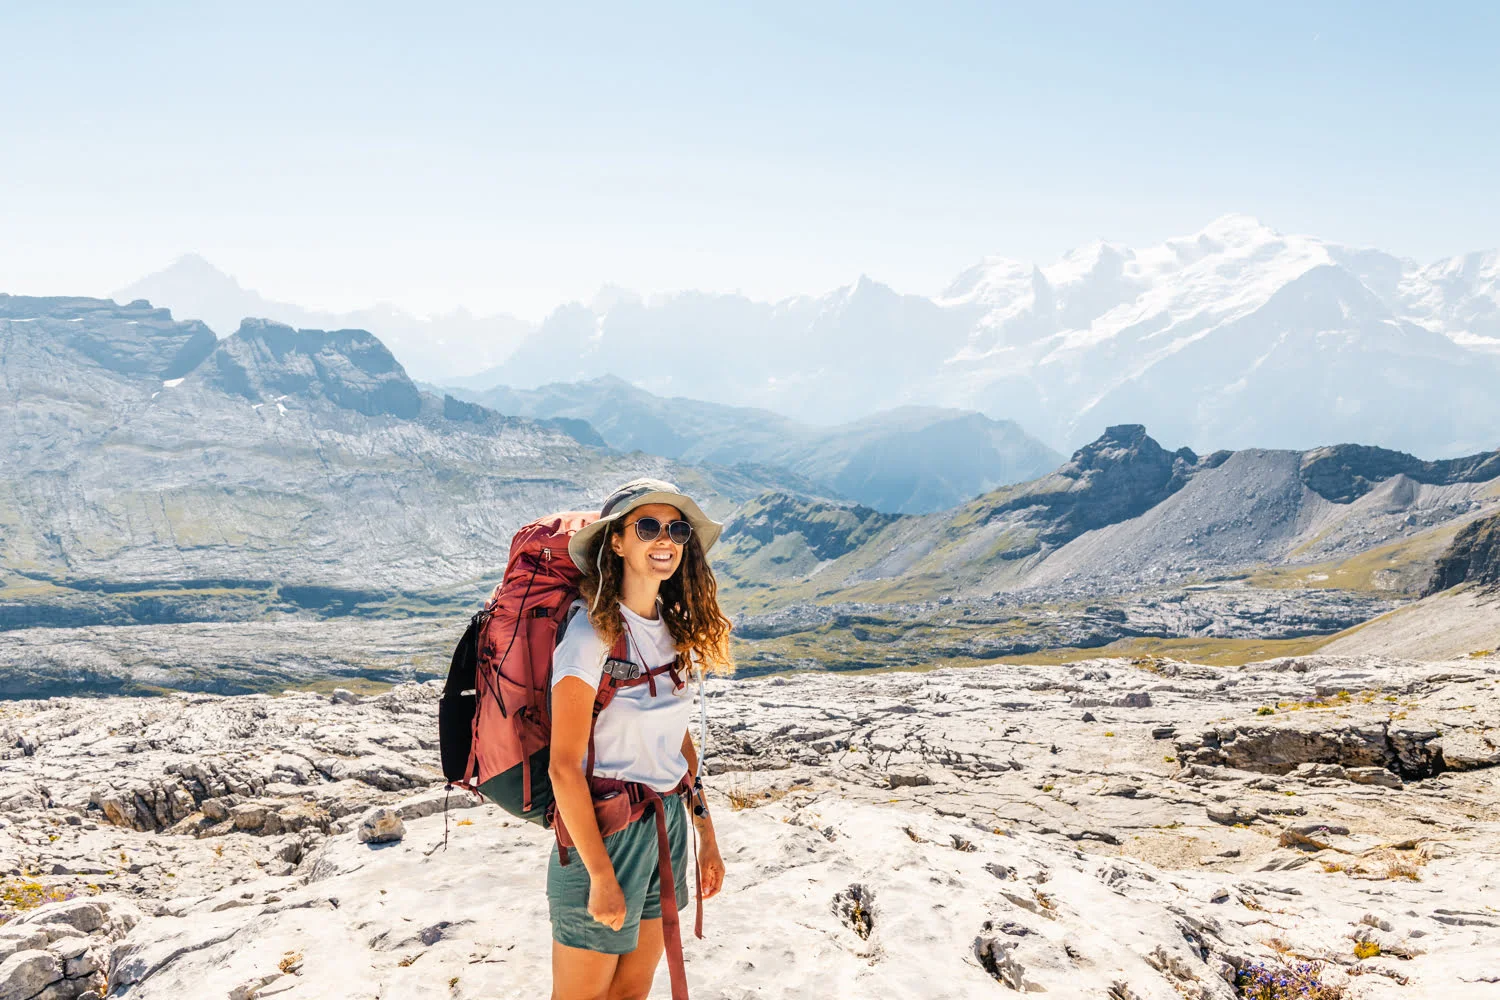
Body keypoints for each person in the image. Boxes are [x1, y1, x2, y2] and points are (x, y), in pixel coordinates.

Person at [547, 478, 731, 1000]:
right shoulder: (589, 636)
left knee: (631, 993)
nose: (664, 538)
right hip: (605, 830)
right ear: (617, 543)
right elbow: (563, 766)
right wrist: (601, 876)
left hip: (666, 824)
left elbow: (677, 740)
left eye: (675, 529)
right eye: (647, 526)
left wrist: (706, 835)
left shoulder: (672, 629)